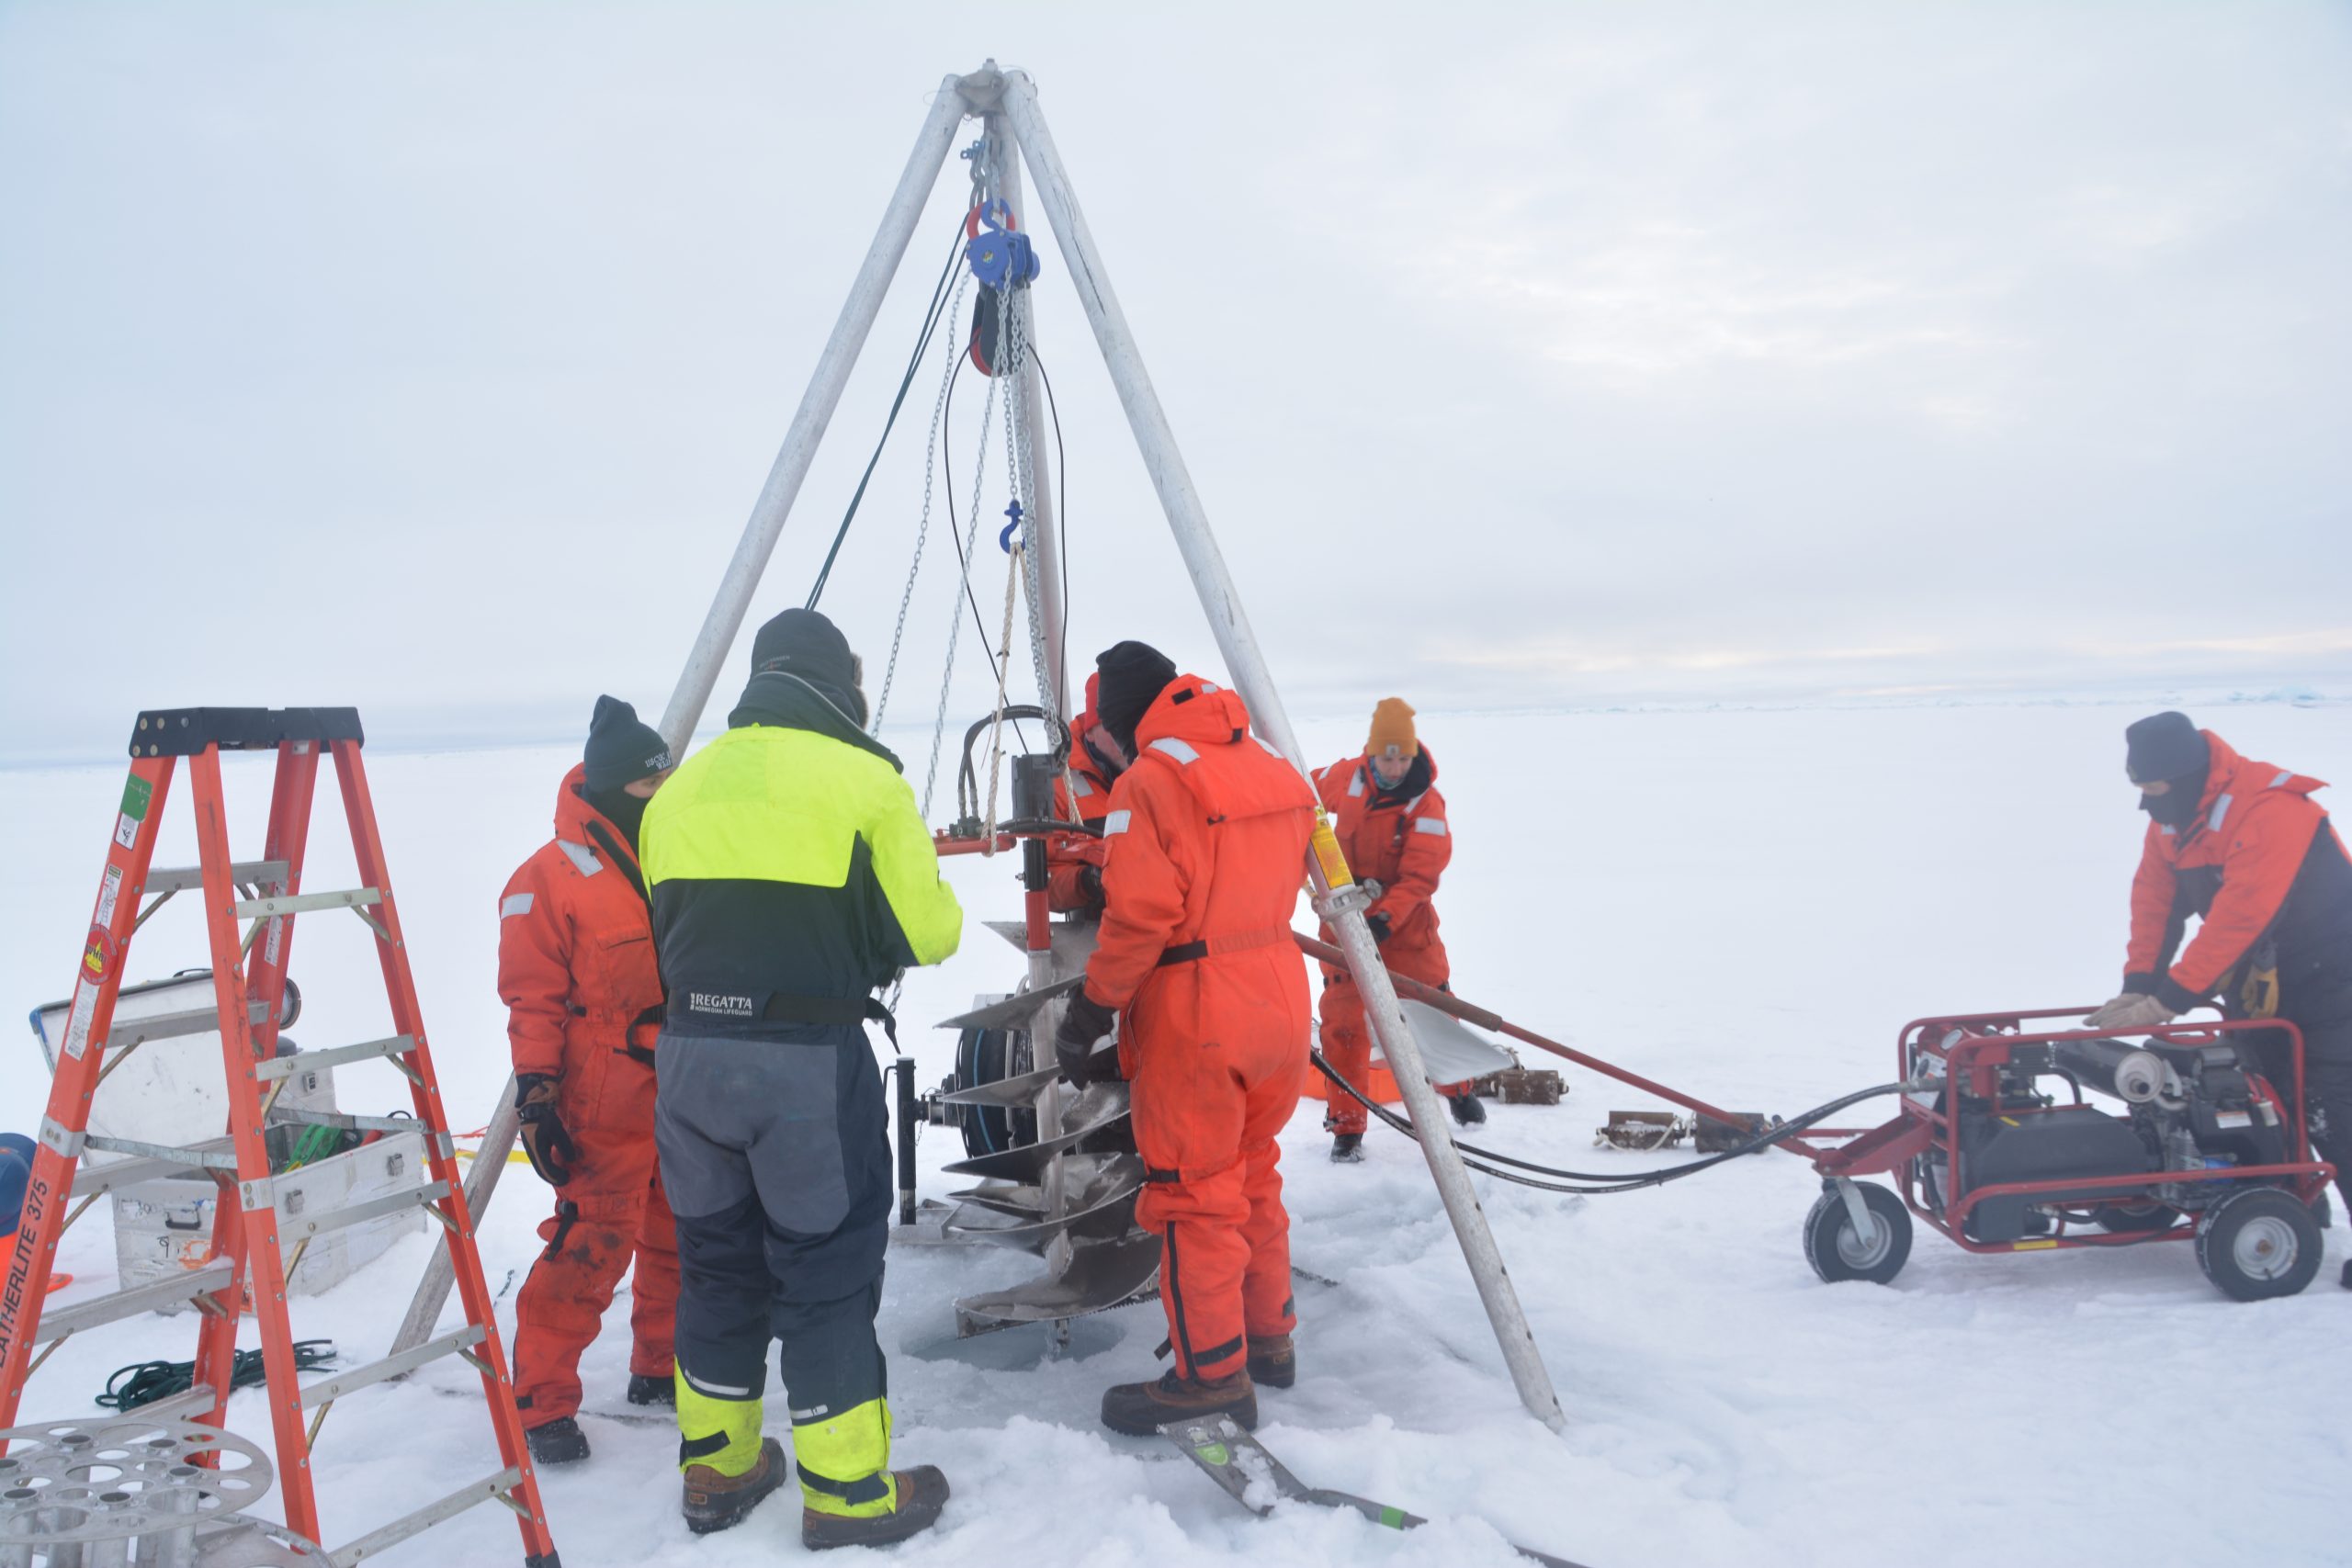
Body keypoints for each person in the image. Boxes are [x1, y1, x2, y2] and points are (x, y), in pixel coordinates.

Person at [640, 608, 963, 1546]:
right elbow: (929, 932)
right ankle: (848, 1496)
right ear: (840, 687)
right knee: (823, 1277)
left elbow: (669, 931)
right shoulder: (865, 782)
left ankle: (717, 1471)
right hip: (802, 1069)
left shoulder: (677, 789)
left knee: (716, 1266)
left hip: (689, 1061)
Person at [1052, 642, 1317, 1433]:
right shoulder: (1269, 760)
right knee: (1252, 1172)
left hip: (1200, 1012)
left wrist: (1093, 1008)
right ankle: (1270, 1339)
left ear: (1122, 719)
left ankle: (1212, 1377)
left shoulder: (1150, 781)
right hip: (1279, 995)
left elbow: (1140, 917)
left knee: (1194, 1196)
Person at [2084, 711, 2352, 1277]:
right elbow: (2154, 900)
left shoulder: (2269, 809)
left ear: (2183, 776)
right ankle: (2291, 1208)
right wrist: (2139, 984)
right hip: (2264, 981)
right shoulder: (2174, 820)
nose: (2146, 803)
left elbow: (2240, 919)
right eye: (2138, 790)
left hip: (2336, 977)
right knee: (2260, 1099)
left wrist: (2170, 1000)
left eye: (2153, 790)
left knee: (2333, 1107)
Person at [496, 695, 680, 1467]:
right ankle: (541, 1400)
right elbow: (531, 998)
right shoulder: (543, 879)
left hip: (683, 1079)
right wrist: (536, 1095)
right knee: (591, 1243)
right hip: (600, 1091)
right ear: (609, 788)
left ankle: (661, 1366)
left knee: (683, 1232)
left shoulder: (678, 848)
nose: (662, 794)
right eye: (648, 784)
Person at [1311, 697, 1479, 1164]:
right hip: (1343, 926)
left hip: (1405, 931)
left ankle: (1459, 1090)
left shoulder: (1426, 802)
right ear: (1371, 751)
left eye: (1402, 757)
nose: (1395, 765)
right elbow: (1298, 797)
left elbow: (1420, 876)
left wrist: (1385, 920)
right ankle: (1346, 1128)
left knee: (1433, 1017)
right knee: (1342, 1029)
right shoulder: (1343, 778)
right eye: (1387, 756)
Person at [1046, 672, 1119, 915]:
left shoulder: (1170, 769)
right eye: (1112, 725)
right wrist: (1089, 880)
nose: (1125, 735)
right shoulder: (1060, 786)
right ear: (1090, 732)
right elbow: (1046, 884)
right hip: (1095, 932)